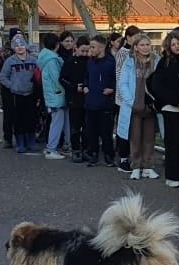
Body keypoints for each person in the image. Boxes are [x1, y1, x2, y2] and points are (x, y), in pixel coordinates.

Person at [150, 32, 179, 187]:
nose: (177, 47)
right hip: (171, 108)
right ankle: (172, 176)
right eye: (173, 44)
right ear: (169, 47)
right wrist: (175, 100)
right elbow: (158, 86)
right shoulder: (164, 63)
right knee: (173, 143)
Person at [117, 32, 160, 180]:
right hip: (134, 106)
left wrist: (155, 101)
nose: (146, 47)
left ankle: (148, 166)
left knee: (149, 138)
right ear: (135, 47)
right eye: (142, 45)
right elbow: (122, 84)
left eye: (148, 44)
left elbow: (160, 83)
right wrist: (131, 102)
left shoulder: (156, 61)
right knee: (135, 137)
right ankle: (135, 166)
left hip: (150, 106)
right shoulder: (129, 62)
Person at [81, 35, 117, 166]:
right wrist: (85, 86)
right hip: (91, 102)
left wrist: (112, 89)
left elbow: (117, 79)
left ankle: (108, 155)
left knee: (106, 131)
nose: (90, 49)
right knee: (91, 131)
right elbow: (86, 76)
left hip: (105, 103)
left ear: (102, 47)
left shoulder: (111, 62)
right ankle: (93, 154)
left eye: (93, 47)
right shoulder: (90, 62)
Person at [0, 35, 39, 153]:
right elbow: (3, 76)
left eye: (22, 45)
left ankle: (31, 142)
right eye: (17, 46)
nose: (20, 47)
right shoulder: (10, 61)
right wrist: (12, 85)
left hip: (31, 94)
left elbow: (38, 74)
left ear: (26, 46)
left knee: (31, 119)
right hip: (17, 95)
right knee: (18, 120)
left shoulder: (33, 60)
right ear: (13, 48)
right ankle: (20, 143)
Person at [113, 25, 142, 172]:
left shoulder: (136, 52)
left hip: (137, 97)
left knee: (135, 129)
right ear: (128, 38)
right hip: (123, 98)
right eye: (135, 38)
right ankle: (123, 157)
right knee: (124, 128)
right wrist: (125, 97)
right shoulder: (123, 53)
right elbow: (119, 76)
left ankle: (134, 156)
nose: (138, 41)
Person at [36, 33, 68, 159]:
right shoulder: (52, 60)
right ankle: (51, 148)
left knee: (58, 121)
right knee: (57, 122)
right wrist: (64, 90)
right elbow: (57, 79)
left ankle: (54, 147)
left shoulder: (44, 58)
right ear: (57, 45)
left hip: (51, 95)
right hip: (57, 95)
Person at [60, 32, 89, 162]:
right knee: (75, 127)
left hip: (88, 98)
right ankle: (76, 150)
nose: (85, 53)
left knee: (88, 127)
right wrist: (73, 87)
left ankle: (87, 149)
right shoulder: (70, 62)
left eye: (87, 51)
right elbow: (62, 79)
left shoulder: (90, 61)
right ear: (76, 48)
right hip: (74, 99)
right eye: (82, 50)